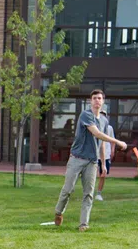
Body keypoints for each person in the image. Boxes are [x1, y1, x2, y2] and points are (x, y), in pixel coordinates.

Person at [53, 89, 126, 232]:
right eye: (94, 98)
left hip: (92, 162)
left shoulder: (104, 121)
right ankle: (58, 212)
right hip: (76, 159)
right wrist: (118, 142)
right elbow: (97, 134)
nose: (97, 100)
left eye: (99, 98)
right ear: (90, 101)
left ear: (103, 101)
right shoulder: (86, 115)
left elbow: (102, 143)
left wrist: (103, 164)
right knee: (68, 189)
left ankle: (83, 224)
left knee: (88, 193)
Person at [95, 110, 116, 202]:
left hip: (106, 155)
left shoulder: (109, 128)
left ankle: (99, 193)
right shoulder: (94, 127)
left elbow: (113, 140)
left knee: (103, 174)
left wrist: (112, 150)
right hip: (94, 155)